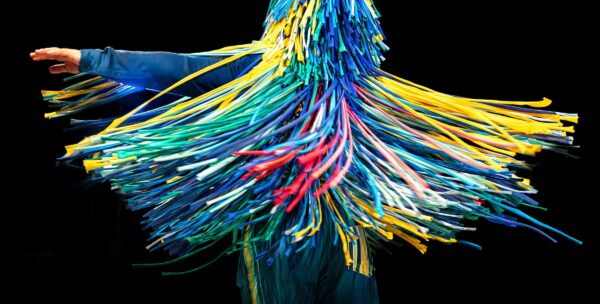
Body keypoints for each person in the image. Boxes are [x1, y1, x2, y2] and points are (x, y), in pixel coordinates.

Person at [31, 0, 579, 304]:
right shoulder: (357, 85)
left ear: (286, 16)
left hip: (294, 238)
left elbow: (172, 66)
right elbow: (457, 129)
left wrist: (88, 58)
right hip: (330, 237)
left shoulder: (338, 82)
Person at [30, 45, 381, 303]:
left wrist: (93, 60)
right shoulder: (369, 89)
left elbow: (178, 68)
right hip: (343, 237)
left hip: (283, 231)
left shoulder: (261, 70)